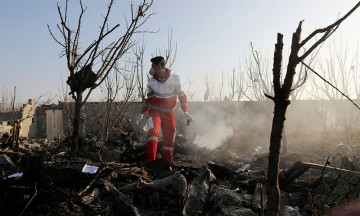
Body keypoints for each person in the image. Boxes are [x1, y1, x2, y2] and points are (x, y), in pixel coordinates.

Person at [137, 56, 192, 162]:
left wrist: (185, 111)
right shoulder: (151, 82)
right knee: (153, 132)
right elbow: (148, 100)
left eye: (153, 66)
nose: (151, 68)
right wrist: (142, 113)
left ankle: (166, 163)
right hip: (154, 112)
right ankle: (150, 163)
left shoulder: (175, 79)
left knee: (170, 135)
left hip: (168, 113)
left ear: (160, 66)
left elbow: (181, 96)